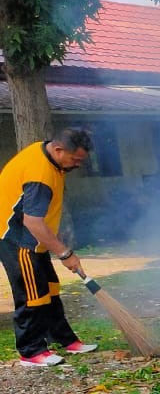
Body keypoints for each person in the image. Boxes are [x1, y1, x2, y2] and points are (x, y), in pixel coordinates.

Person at [0, 128, 98, 367]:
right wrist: (65, 253)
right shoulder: (40, 174)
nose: (78, 166)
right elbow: (32, 221)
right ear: (59, 150)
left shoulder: (49, 156)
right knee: (32, 296)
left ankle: (62, 338)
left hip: (35, 238)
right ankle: (31, 352)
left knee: (50, 289)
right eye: (76, 160)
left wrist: (55, 236)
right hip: (16, 240)